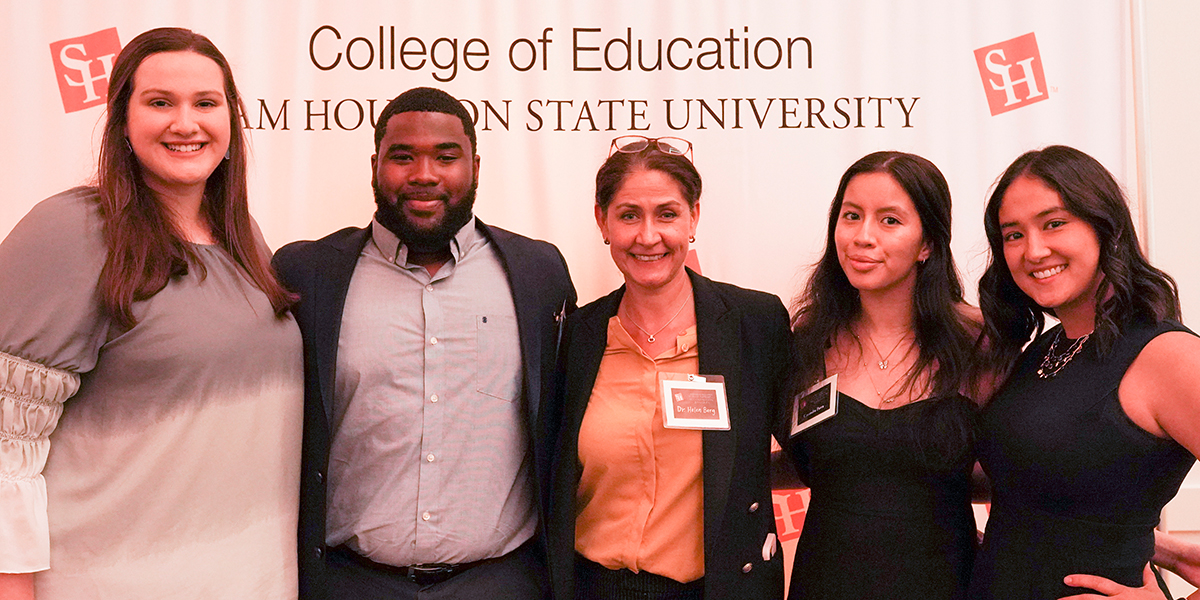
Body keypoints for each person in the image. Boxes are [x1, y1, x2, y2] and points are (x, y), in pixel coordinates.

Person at [0, 28, 303, 599]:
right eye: (160, 102)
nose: (185, 123)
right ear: (122, 123)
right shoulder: (71, 230)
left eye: (206, 104)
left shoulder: (246, 242)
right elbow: (4, 445)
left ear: (232, 126)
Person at [271, 86, 577, 600]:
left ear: (475, 167)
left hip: (502, 583)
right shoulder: (307, 274)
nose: (424, 175)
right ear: (375, 165)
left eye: (446, 156)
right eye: (403, 156)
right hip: (349, 583)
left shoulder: (539, 271)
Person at [547, 136, 790, 600]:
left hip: (714, 589)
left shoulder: (753, 324)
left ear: (693, 217)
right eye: (628, 215)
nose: (647, 236)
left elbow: (810, 451)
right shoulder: (576, 337)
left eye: (667, 213)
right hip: (593, 587)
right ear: (602, 221)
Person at [972, 145, 1200, 599]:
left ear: (1106, 228)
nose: (1034, 250)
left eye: (1054, 223)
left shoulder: (1167, 354)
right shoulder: (1042, 351)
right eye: (1013, 235)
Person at [783, 151, 985, 599]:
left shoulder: (980, 343)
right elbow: (792, 464)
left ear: (928, 243)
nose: (862, 237)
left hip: (946, 584)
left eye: (889, 221)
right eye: (851, 216)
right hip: (825, 582)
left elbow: (1027, 473)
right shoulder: (806, 339)